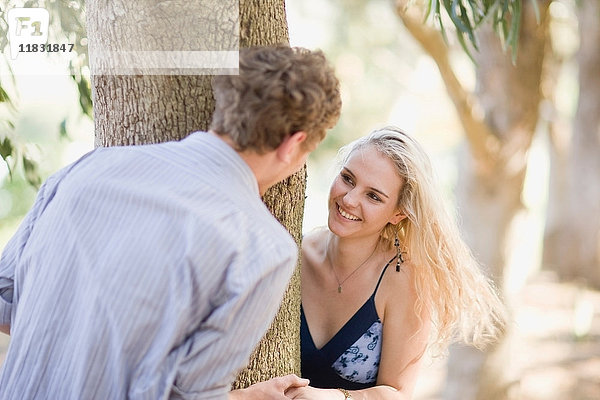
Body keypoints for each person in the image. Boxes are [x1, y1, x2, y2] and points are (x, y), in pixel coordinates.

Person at [0, 46, 341, 399]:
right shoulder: (262, 248)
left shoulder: (88, 168)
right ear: (293, 144)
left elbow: (4, 299)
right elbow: (189, 395)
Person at [287, 126, 505, 400]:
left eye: (374, 196)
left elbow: (398, 393)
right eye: (348, 178)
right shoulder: (294, 253)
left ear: (398, 214)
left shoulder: (404, 280)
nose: (349, 199)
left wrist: (336, 398)